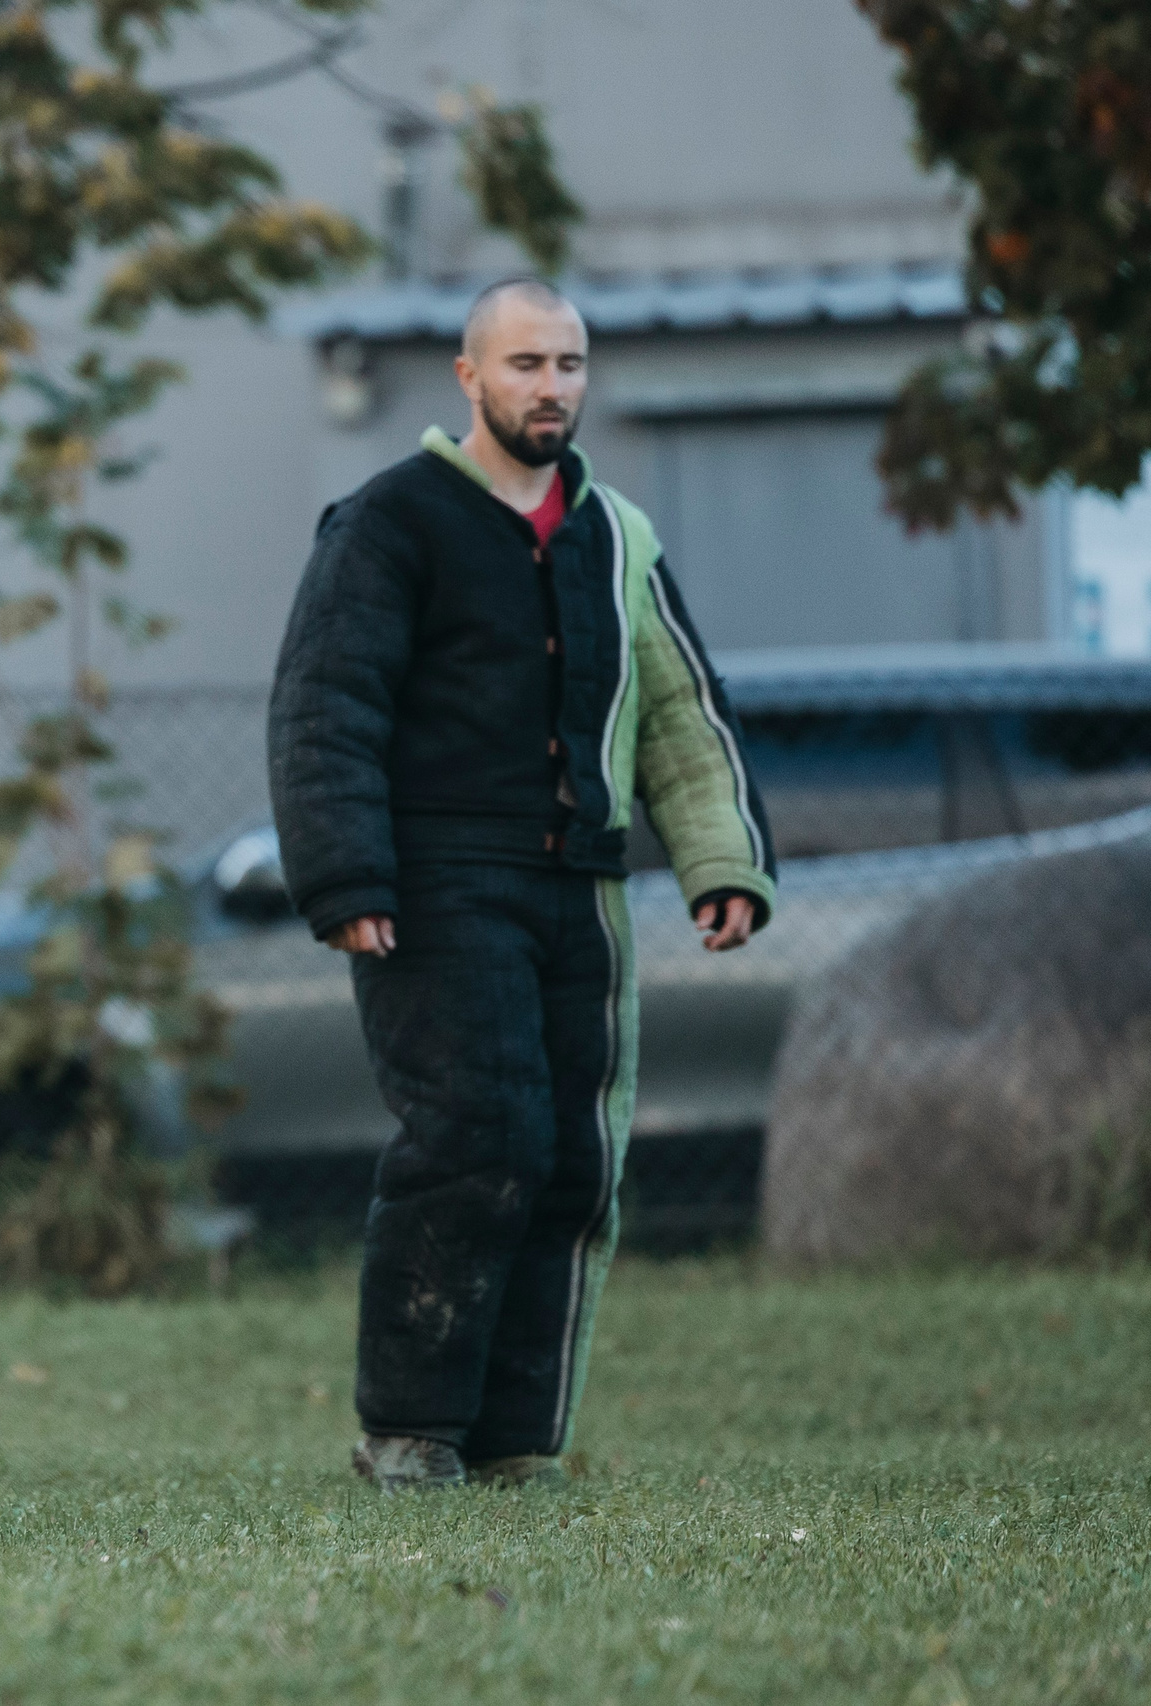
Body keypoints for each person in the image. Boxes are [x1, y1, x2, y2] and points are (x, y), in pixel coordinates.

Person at [267, 276, 775, 1490]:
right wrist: (345, 874)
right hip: (435, 883)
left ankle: (508, 1443)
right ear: (469, 377)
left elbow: (678, 714)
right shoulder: (389, 521)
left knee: (567, 1156)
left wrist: (721, 860)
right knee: (476, 1134)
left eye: (568, 364)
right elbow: (325, 706)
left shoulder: (616, 532)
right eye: (525, 365)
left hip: (577, 887)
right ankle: (407, 1430)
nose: (550, 387)